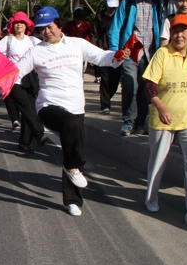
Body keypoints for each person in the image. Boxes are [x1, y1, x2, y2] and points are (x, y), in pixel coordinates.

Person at [14, 13, 125, 216]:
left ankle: (72, 200)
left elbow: (101, 57)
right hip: (49, 106)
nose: (47, 32)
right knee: (71, 131)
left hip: (76, 106)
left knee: (73, 151)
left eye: (50, 27)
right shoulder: (35, 52)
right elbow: (14, 72)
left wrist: (117, 56)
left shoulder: (77, 44)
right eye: (42, 29)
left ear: (59, 25)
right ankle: (73, 168)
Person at [143, 14, 187, 227]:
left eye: (184, 31)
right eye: (175, 31)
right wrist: (161, 107)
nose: (179, 35)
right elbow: (149, 86)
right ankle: (151, 199)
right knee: (158, 162)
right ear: (170, 34)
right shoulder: (162, 54)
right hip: (163, 119)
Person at [109, 0, 164, 136]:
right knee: (130, 86)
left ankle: (140, 123)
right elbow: (115, 28)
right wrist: (114, 52)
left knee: (145, 89)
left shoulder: (156, 2)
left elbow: (161, 27)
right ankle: (128, 122)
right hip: (130, 52)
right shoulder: (127, 3)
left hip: (150, 53)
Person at [0, 11, 48, 152]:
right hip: (13, 78)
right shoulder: (8, 40)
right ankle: (39, 133)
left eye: (22, 23)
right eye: (16, 23)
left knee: (30, 109)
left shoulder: (33, 41)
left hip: (30, 79)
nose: (19, 25)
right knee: (26, 106)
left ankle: (25, 142)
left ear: (27, 26)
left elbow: (48, 48)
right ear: (12, 25)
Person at [91, 0, 122, 114]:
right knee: (105, 78)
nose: (112, 8)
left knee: (114, 80)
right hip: (103, 51)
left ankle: (108, 97)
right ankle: (105, 104)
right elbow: (94, 35)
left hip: (117, 52)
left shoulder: (120, 17)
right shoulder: (99, 18)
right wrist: (93, 53)